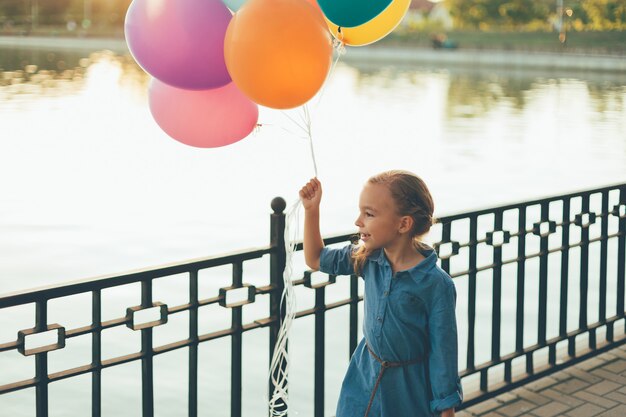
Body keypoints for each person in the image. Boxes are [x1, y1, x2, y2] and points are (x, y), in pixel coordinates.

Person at [299, 171, 463, 417]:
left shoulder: (437, 285)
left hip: (407, 392)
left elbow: (443, 354)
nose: (358, 221)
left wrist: (446, 410)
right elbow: (315, 258)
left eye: (369, 214)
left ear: (403, 224)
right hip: (363, 379)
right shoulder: (368, 258)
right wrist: (312, 210)